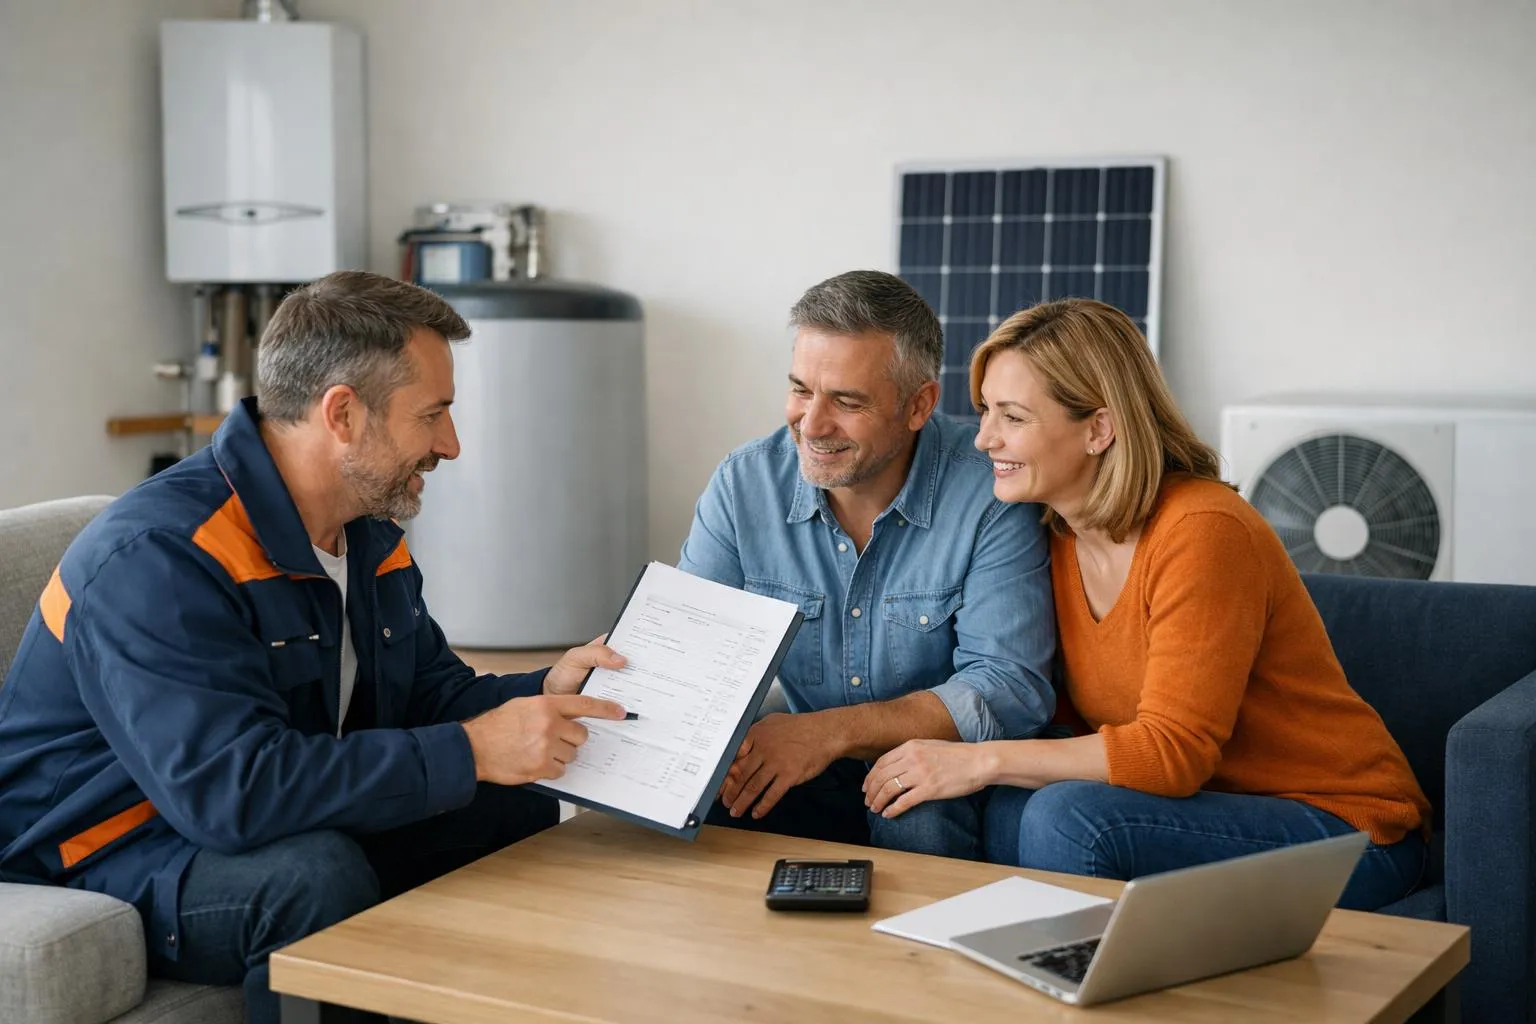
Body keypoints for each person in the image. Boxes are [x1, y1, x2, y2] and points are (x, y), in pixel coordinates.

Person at [0, 271, 630, 1023]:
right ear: (343, 414)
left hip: (237, 809)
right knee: (312, 878)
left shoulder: (365, 533)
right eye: (432, 415)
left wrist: (545, 691)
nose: (451, 445)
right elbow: (231, 794)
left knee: (511, 803)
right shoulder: (162, 556)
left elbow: (430, 694)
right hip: (107, 848)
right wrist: (471, 751)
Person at [862, 297, 1430, 910]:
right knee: (1008, 810)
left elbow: (1173, 754)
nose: (984, 438)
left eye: (1013, 417)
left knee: (1066, 818)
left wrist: (980, 760)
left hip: (1345, 830)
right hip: (1197, 811)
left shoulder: (1203, 531)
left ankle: (1080, 972)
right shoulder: (1053, 533)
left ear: (1099, 429)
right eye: (984, 410)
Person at [677, 270, 1056, 860]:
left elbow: (1009, 688)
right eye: (801, 390)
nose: (812, 424)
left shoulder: (990, 491)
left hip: (940, 772)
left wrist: (830, 732)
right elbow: (689, 657)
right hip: (800, 759)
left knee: (917, 812)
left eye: (847, 402)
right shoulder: (743, 484)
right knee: (704, 799)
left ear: (919, 405)